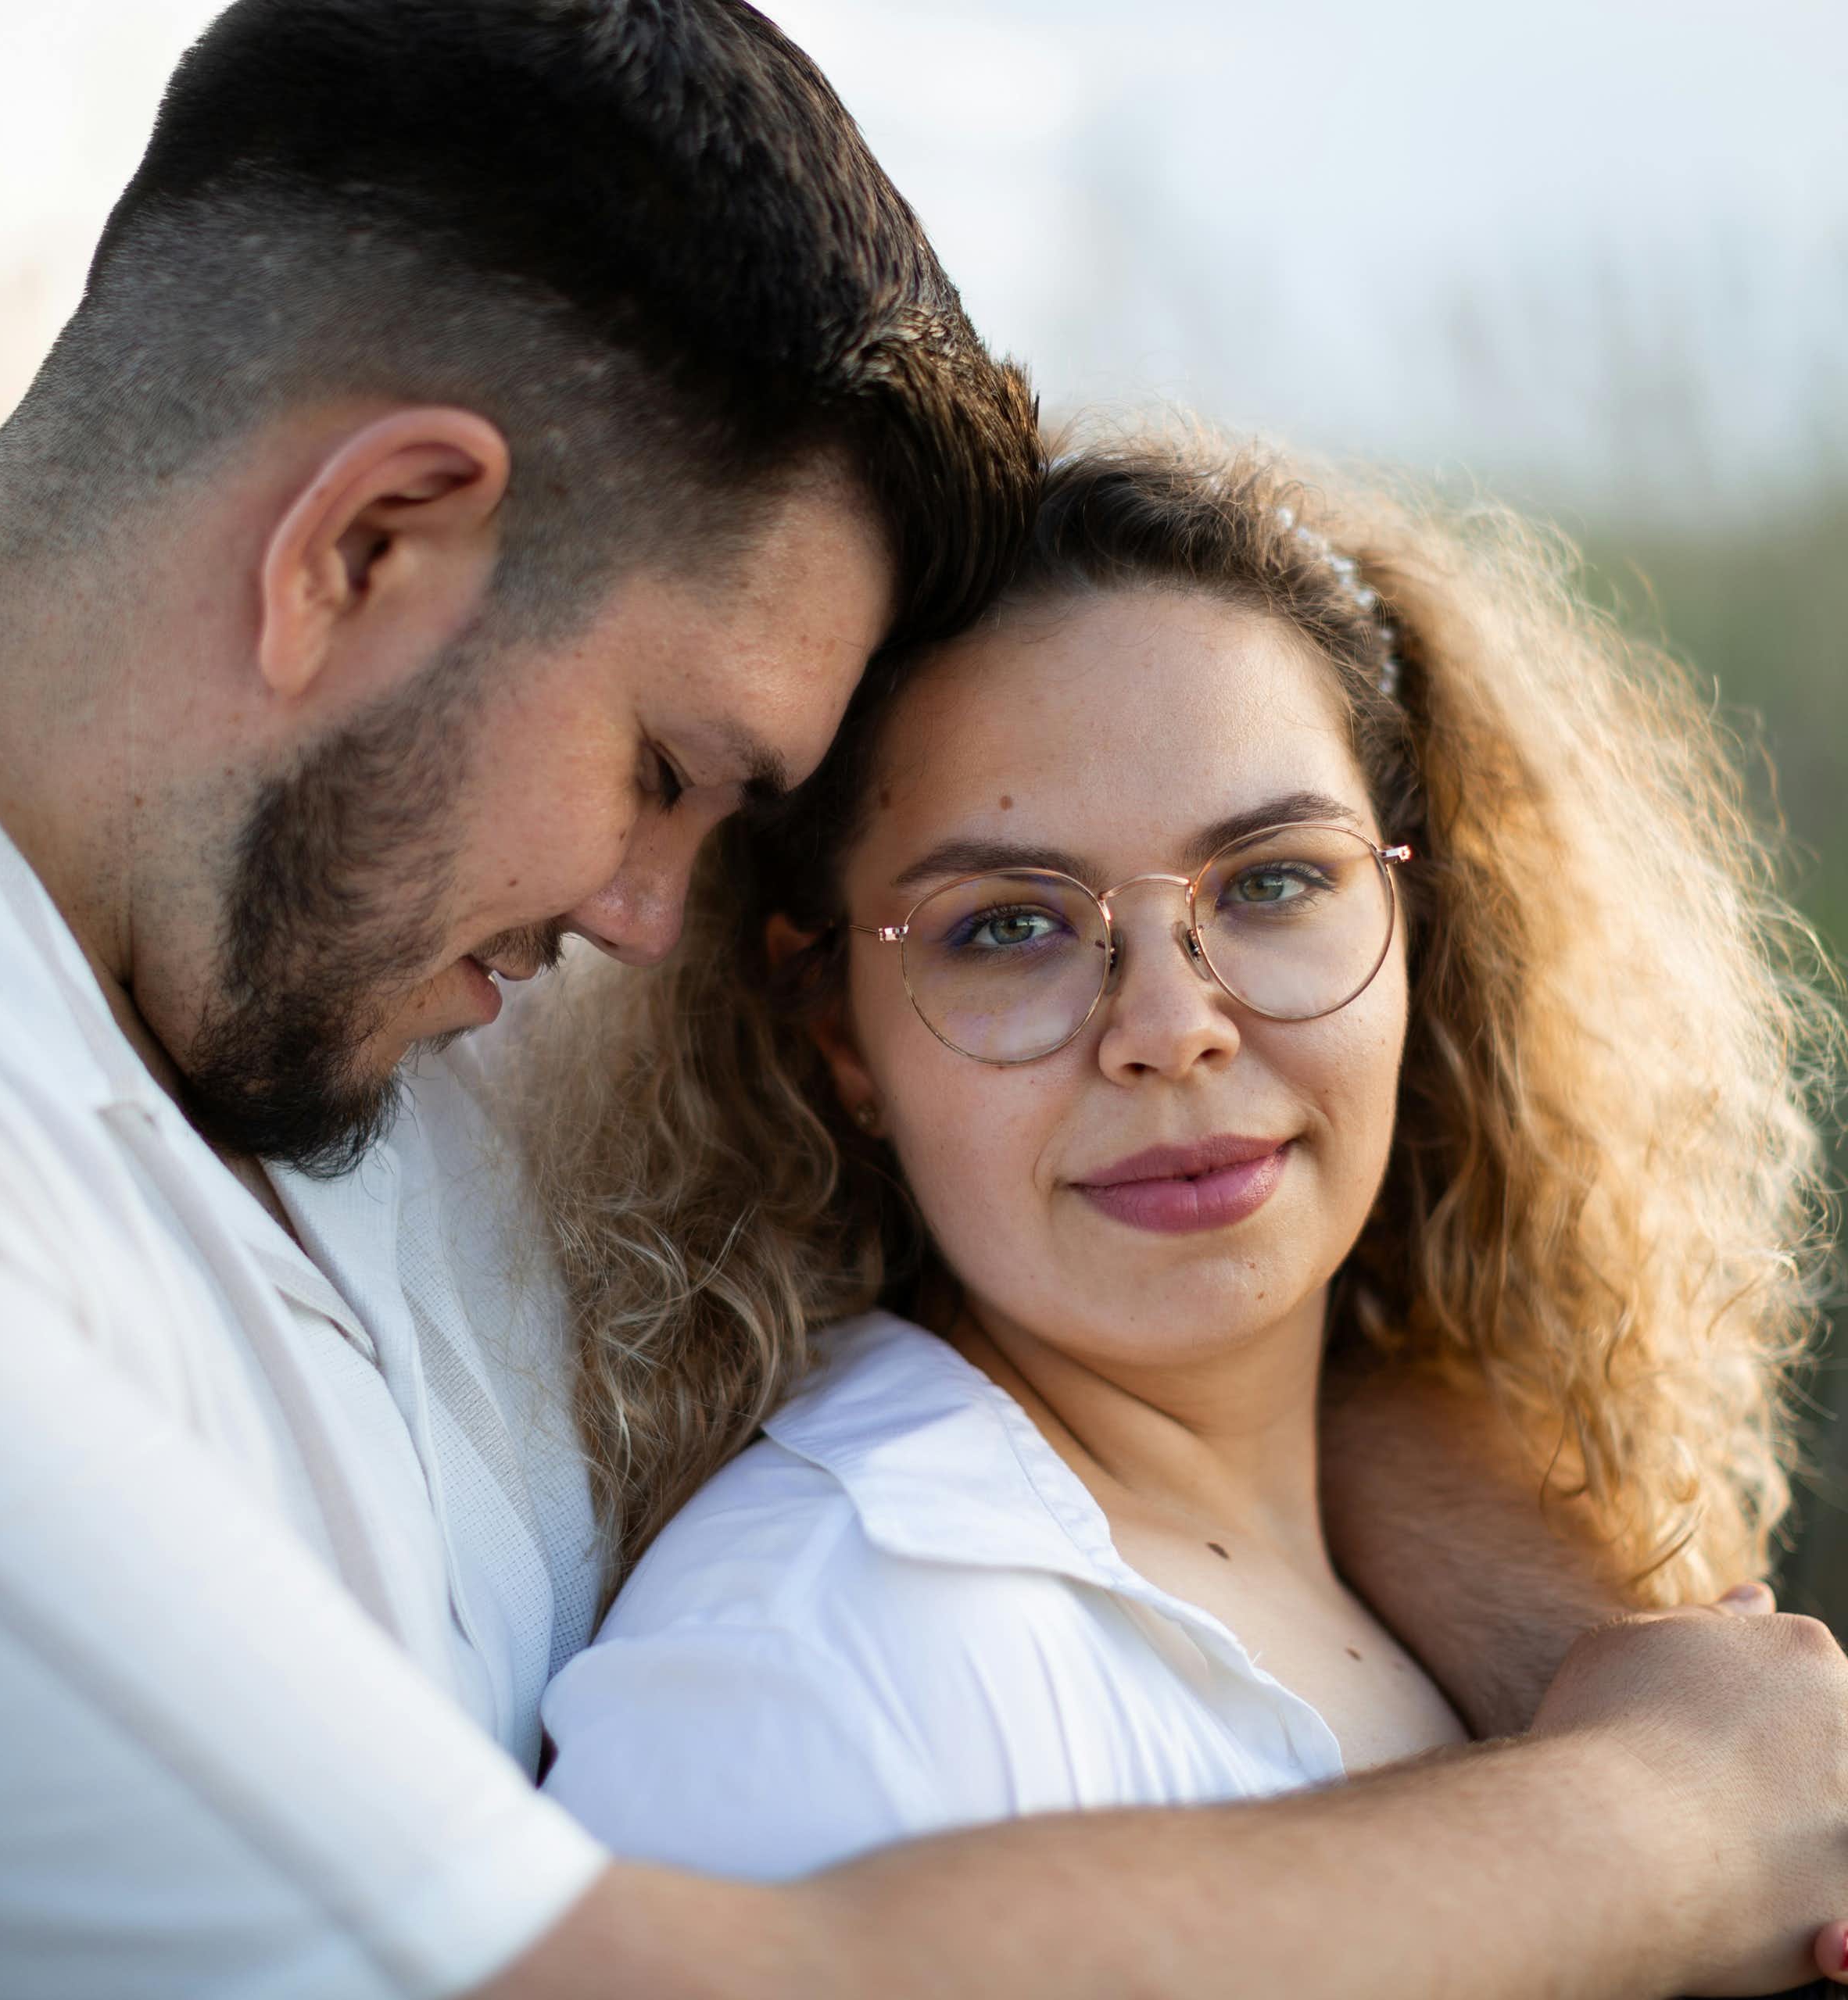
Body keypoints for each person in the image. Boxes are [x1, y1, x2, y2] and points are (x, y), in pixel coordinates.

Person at [0, 1, 1843, 1995]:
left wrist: (1579, 1648)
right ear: (369, 546)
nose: (652, 919)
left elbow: (1176, 1286)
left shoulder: (351, 909)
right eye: (665, 766)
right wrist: (1660, 1818)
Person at [528, 431, 1846, 1943]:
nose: (1168, 1027)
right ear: (840, 1037)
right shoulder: (805, 1665)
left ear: (1422, 929)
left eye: (1274, 882)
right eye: (1009, 926)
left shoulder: (1471, 1532)